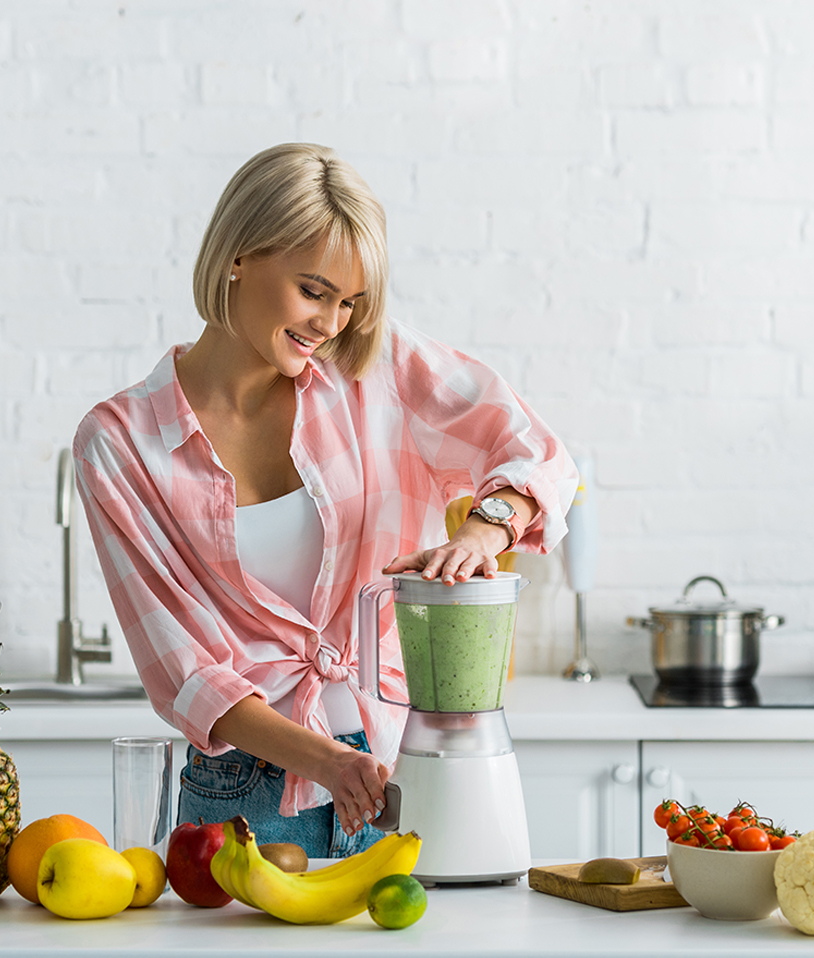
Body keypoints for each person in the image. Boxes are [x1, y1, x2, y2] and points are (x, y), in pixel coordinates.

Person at [73, 143, 577, 858]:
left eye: (350, 303)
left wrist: (481, 534)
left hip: (404, 766)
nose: (331, 324)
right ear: (238, 256)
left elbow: (536, 451)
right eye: (313, 292)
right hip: (243, 797)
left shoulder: (380, 370)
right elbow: (185, 674)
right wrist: (326, 763)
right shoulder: (120, 444)